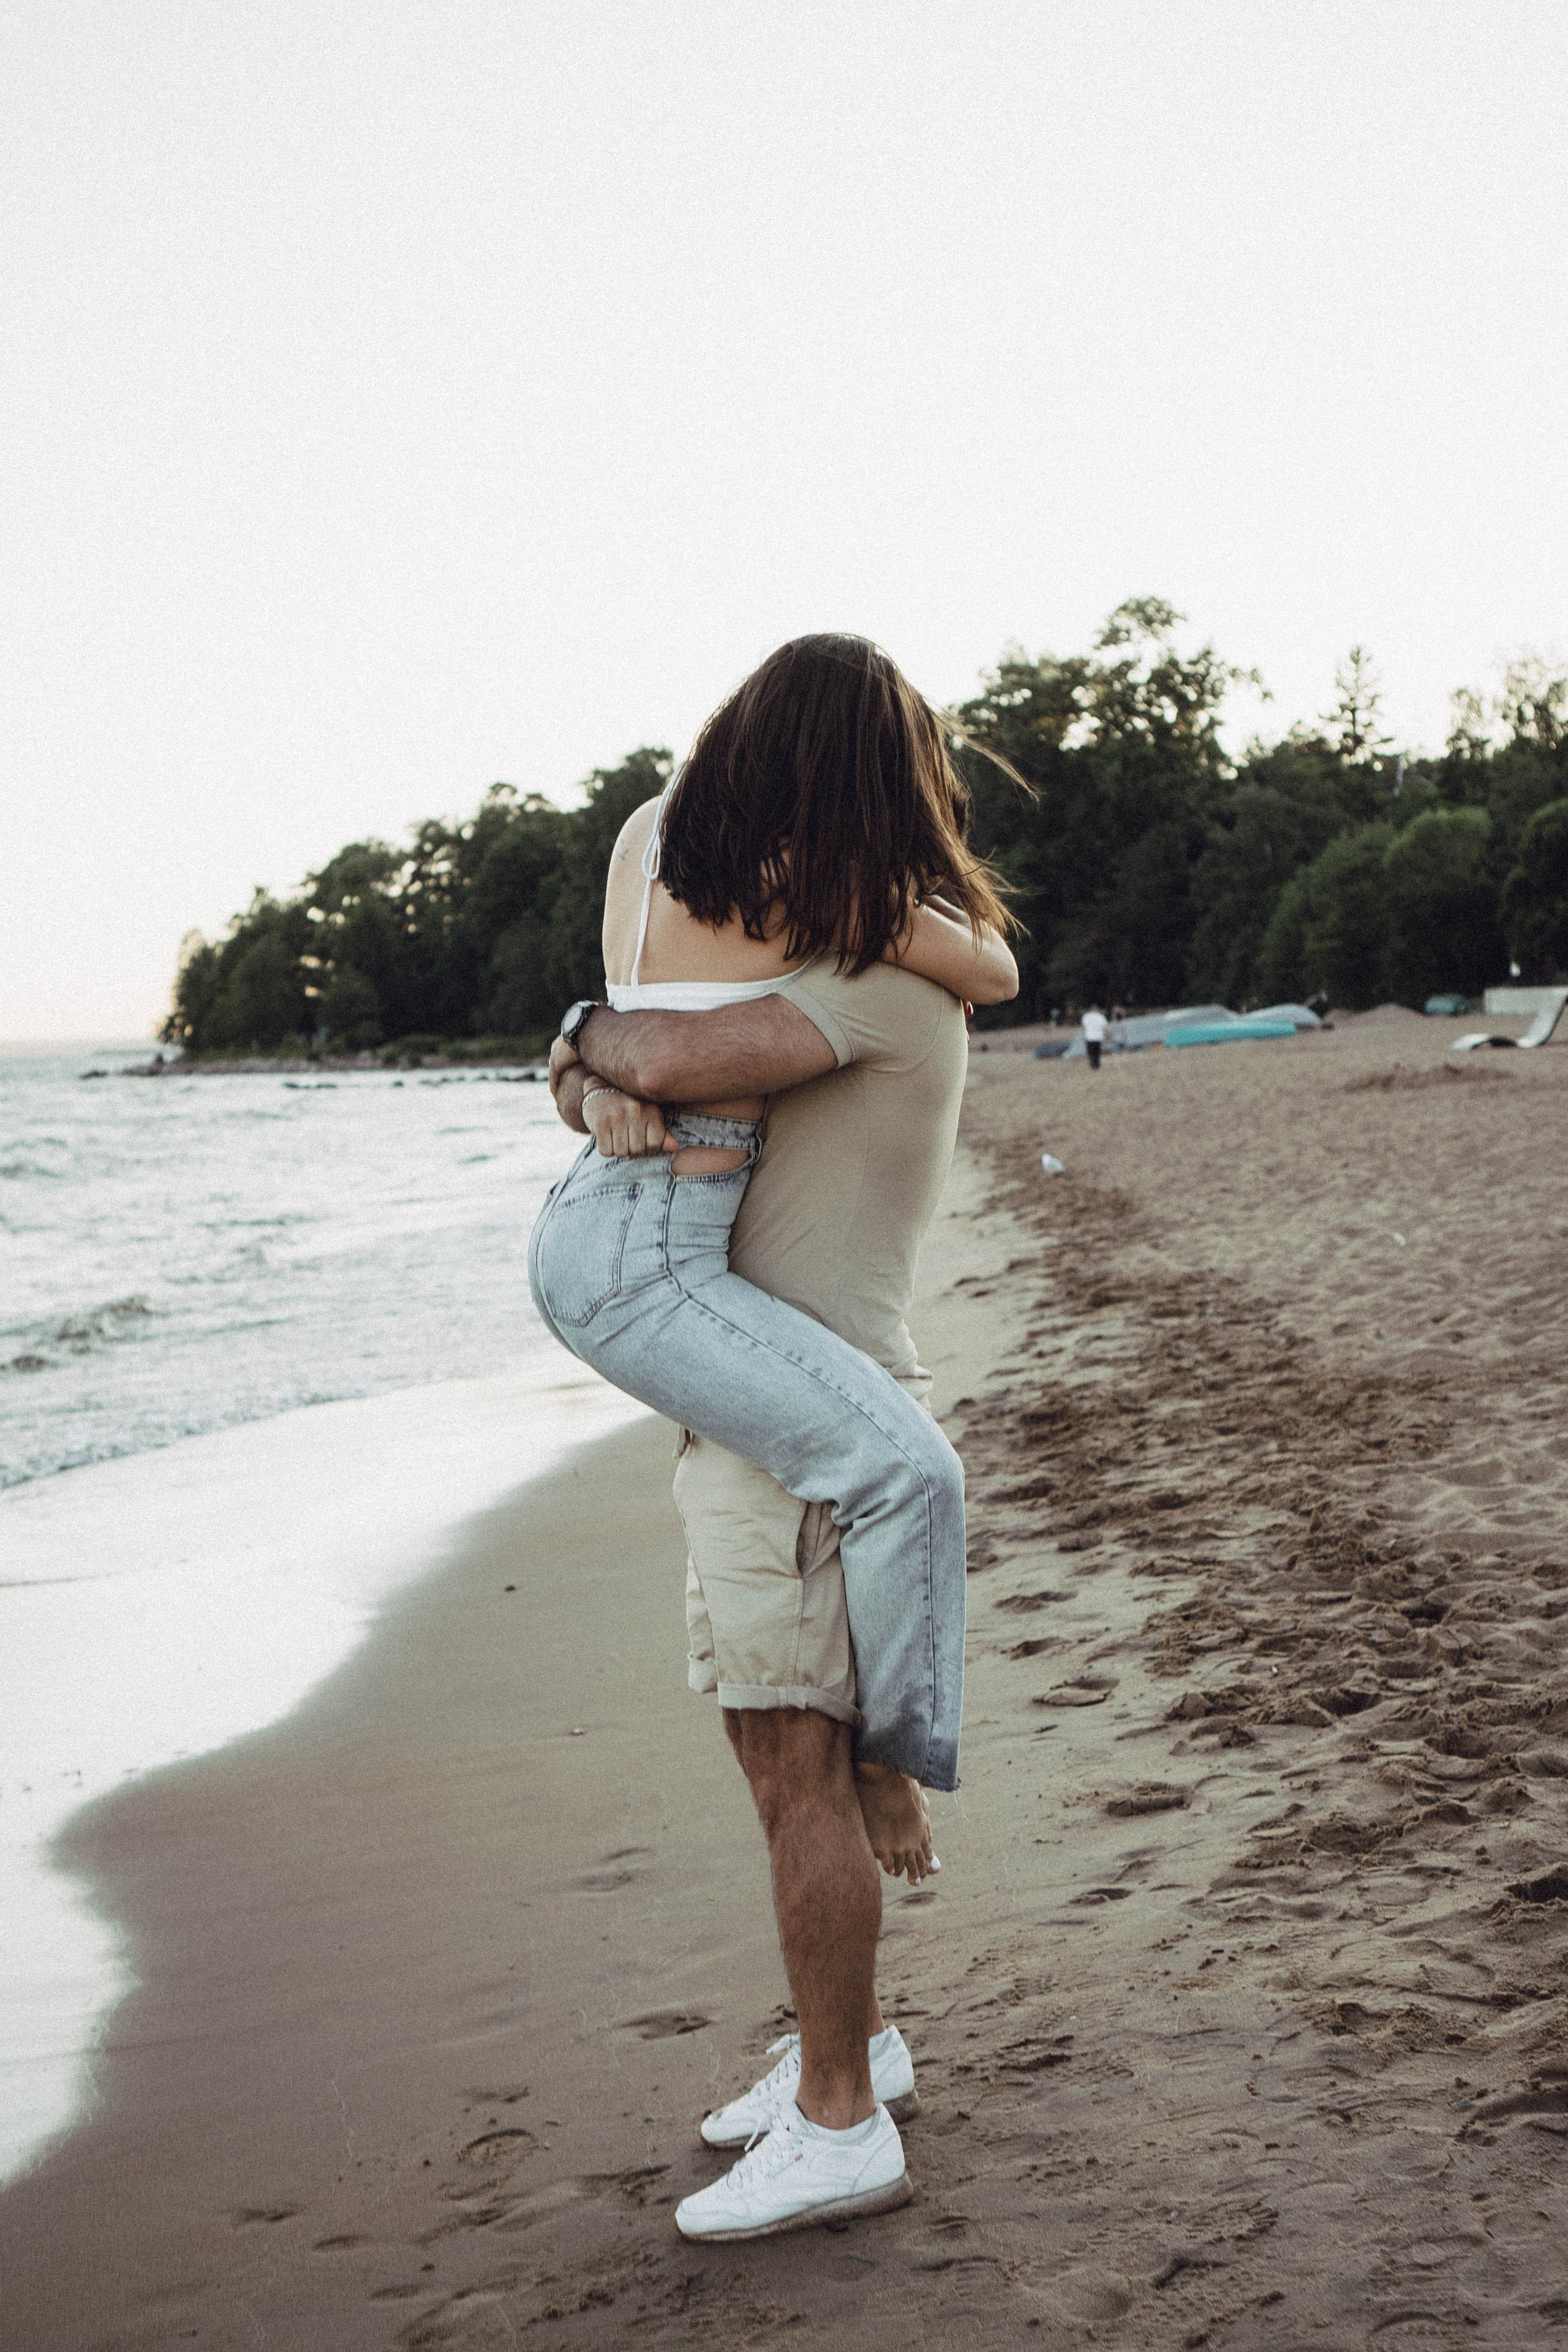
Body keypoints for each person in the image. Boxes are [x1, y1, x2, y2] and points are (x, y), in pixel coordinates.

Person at [533, 635, 1020, 2239]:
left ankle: (836, 2119)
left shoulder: (864, 981)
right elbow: (643, 1055)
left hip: (805, 1427)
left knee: (799, 1767)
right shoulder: (841, 947)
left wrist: (584, 1045)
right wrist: (587, 1071)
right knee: (769, 1758)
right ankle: (855, 2047)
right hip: (755, 1401)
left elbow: (664, 1049)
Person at [1081, 1002, 1109, 1069]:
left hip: (1089, 1036)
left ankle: (1092, 1064)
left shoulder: (1086, 1017)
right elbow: (1105, 1028)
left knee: (1091, 1052)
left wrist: (1084, 1036)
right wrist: (1106, 1037)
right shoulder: (1101, 1017)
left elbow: (1084, 1027)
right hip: (1098, 1037)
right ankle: (1097, 1064)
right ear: (1098, 1009)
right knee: (1097, 1052)